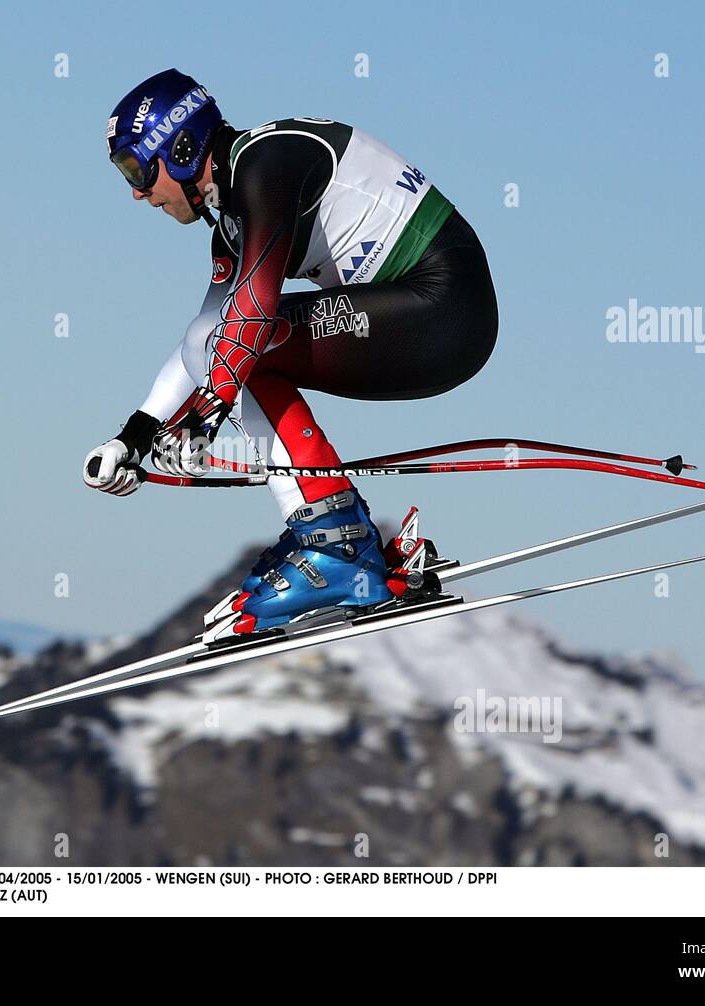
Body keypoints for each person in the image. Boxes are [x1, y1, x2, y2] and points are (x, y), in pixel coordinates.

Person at [83, 68, 499, 640]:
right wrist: (132, 437)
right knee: (220, 340)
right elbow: (200, 342)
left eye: (137, 169)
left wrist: (204, 424)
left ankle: (334, 541)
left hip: (445, 306)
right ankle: (336, 537)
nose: (136, 191)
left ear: (181, 149)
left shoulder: (263, 165)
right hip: (428, 319)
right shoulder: (232, 218)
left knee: (236, 342)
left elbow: (247, 320)